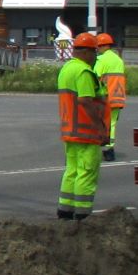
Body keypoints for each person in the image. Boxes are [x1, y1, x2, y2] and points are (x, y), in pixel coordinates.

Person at [57, 32, 108, 220]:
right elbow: (86, 100)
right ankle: (83, 215)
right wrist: (101, 128)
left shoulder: (67, 69)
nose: (95, 57)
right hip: (86, 132)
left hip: (70, 130)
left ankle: (65, 211)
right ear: (86, 52)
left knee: (72, 171)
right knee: (86, 173)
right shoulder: (84, 72)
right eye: (94, 52)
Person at [94, 33, 126, 159]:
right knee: (112, 124)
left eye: (98, 47)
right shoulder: (119, 60)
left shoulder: (101, 60)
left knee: (99, 123)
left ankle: (99, 148)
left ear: (101, 46)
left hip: (104, 97)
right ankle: (110, 149)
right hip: (117, 97)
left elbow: (95, 77)